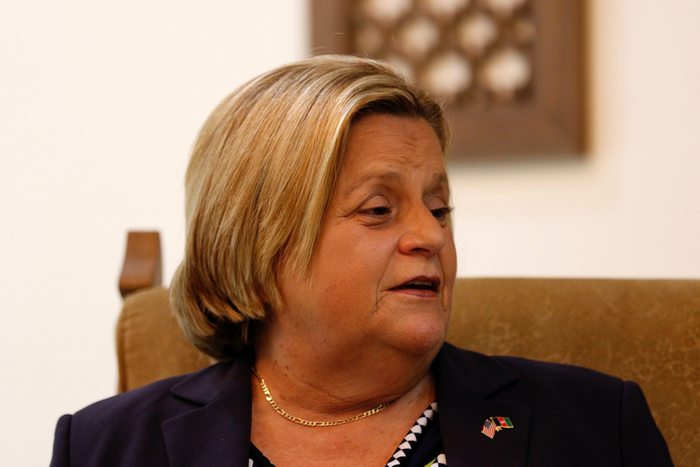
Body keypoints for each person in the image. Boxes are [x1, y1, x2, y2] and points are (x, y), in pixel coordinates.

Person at [50, 55, 673, 466]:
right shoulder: (105, 448)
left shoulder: (595, 426)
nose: (429, 235)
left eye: (439, 208)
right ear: (258, 245)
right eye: (378, 210)